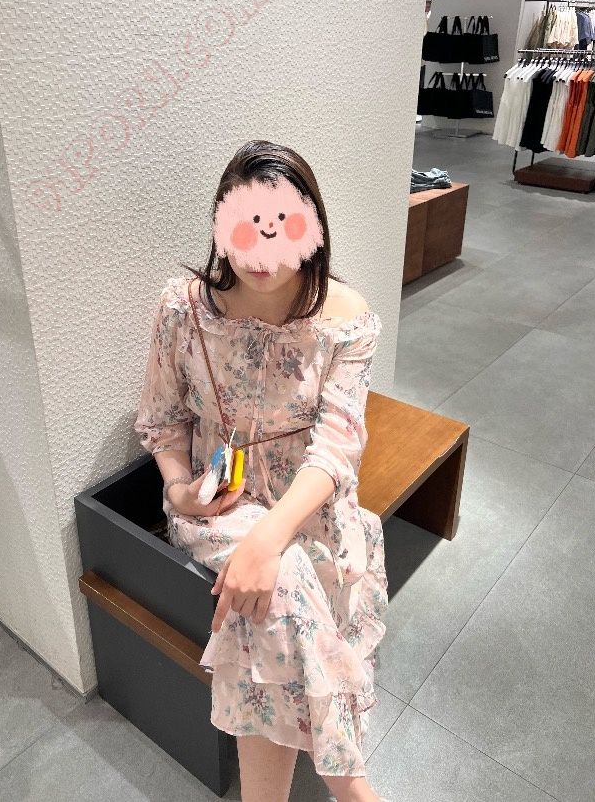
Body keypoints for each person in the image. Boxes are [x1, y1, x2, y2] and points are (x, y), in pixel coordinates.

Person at [134, 140, 390, 802]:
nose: (263, 252)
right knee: (279, 583)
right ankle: (352, 786)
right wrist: (179, 491)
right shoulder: (184, 308)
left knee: (276, 584)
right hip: (222, 503)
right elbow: (163, 421)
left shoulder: (345, 318)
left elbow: (337, 448)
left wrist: (269, 540)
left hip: (308, 507)